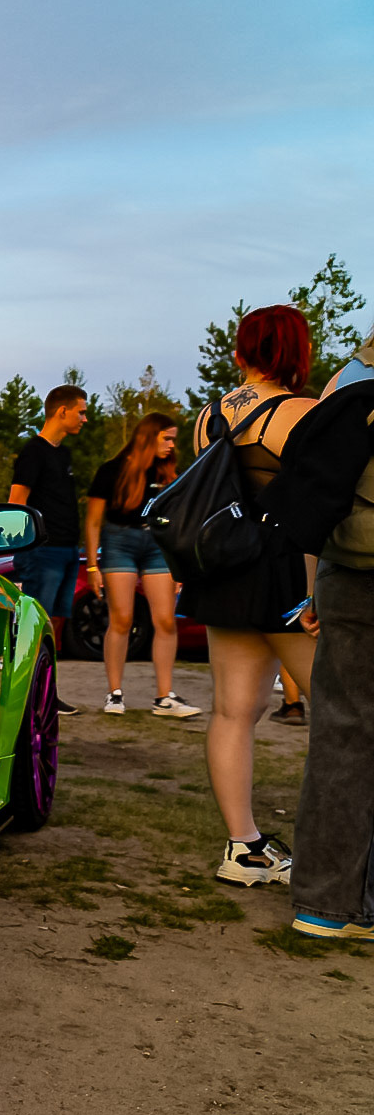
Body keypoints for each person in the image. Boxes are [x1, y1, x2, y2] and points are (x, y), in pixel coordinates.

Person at [180, 305, 317, 888]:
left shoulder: (206, 416)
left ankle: (244, 848)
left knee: (233, 712)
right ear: (296, 352)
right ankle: (341, 855)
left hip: (224, 569)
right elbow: (314, 510)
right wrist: (315, 591)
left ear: (241, 351)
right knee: (345, 714)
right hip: (286, 573)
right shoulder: (303, 413)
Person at [260, 336, 374, 941]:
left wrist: (309, 591)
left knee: (341, 737)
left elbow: (314, 497)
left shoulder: (349, 380)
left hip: (351, 575)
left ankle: (323, 906)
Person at [82, 412, 200, 717]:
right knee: (122, 619)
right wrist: (93, 566)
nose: (172, 445)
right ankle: (114, 694)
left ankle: (164, 698)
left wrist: (179, 564)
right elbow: (93, 522)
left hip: (157, 546)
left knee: (166, 620)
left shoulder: (168, 474)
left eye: (174, 439)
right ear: (148, 436)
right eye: (167, 438)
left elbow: (178, 522)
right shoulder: (111, 471)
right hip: (119, 542)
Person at [8, 384, 88, 714]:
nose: (85, 418)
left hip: (68, 550)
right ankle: (26, 698)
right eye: (81, 412)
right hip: (42, 552)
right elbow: (16, 502)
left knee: (55, 626)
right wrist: (21, 545)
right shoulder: (33, 452)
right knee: (35, 626)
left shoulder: (63, 455)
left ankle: (46, 694)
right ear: (62, 411)